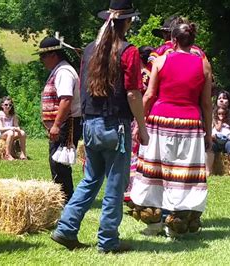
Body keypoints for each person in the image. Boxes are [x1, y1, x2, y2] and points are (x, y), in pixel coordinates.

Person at [51, 0, 148, 253]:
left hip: (91, 123)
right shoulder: (129, 51)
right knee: (116, 183)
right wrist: (142, 126)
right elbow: (133, 94)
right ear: (126, 21)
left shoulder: (88, 51)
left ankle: (66, 228)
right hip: (117, 125)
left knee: (90, 179)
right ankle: (108, 240)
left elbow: (82, 90)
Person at [130, 21, 213, 237]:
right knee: (183, 173)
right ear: (192, 41)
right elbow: (206, 103)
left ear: (173, 40)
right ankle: (176, 225)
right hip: (190, 125)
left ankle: (154, 222)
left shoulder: (161, 60)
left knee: (156, 172)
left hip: (160, 121)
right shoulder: (203, 65)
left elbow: (149, 95)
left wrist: (140, 122)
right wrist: (209, 133)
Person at [36, 36, 81, 202]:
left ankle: (65, 198)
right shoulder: (60, 71)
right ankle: (63, 196)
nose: (41, 60)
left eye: (43, 56)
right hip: (63, 124)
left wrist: (56, 125)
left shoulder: (64, 72)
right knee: (57, 162)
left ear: (54, 55)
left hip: (66, 125)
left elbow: (66, 99)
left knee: (59, 163)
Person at [124, 45, 153, 202]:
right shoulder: (152, 73)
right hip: (150, 115)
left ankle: (131, 188)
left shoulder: (141, 75)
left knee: (134, 152)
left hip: (138, 116)